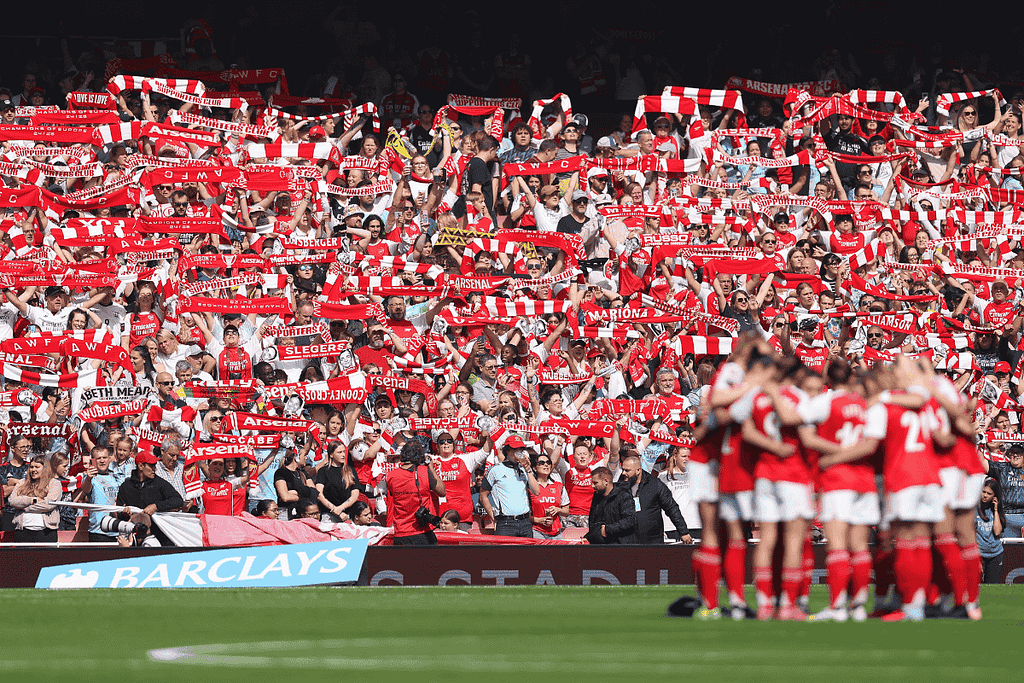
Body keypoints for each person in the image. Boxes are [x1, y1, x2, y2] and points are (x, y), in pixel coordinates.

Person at [616, 455, 691, 545]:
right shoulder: (619, 487)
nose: (623, 473)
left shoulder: (655, 485)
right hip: (626, 541)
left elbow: (671, 508)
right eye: (623, 469)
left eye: (627, 470)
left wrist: (683, 531)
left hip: (652, 541)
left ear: (638, 470)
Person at [382, 441, 445, 545]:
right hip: (422, 532)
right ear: (420, 456)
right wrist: (431, 468)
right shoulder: (424, 471)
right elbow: (442, 492)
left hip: (401, 533)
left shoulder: (390, 476)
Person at [479, 436, 540, 537]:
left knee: (528, 553)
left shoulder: (525, 470)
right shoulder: (495, 470)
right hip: (506, 523)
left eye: (520, 449)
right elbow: (483, 495)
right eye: (515, 449)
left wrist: (528, 470)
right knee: (505, 553)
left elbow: (536, 492)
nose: (518, 452)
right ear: (507, 450)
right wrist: (492, 516)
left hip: (525, 522)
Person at [8, 455, 61, 542]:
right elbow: (12, 501)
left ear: (45, 468)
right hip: (23, 531)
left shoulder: (54, 483)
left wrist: (23, 507)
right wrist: (32, 500)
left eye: (37, 467)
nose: (33, 470)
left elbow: (49, 505)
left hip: (46, 532)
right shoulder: (22, 482)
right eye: (31, 467)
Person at [585, 466, 635, 544]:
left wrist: (608, 529)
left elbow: (630, 520)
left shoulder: (623, 496)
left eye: (595, 483)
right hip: (599, 547)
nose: (592, 486)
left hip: (618, 546)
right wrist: (589, 537)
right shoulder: (597, 496)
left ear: (606, 481)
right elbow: (594, 522)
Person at [976, 479, 1006, 584]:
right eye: (983, 492)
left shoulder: (997, 510)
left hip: (995, 555)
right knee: (976, 586)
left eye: (989, 493)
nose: (985, 495)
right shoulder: (974, 509)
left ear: (994, 496)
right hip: (979, 555)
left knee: (991, 587)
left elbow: (997, 532)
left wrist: (996, 510)